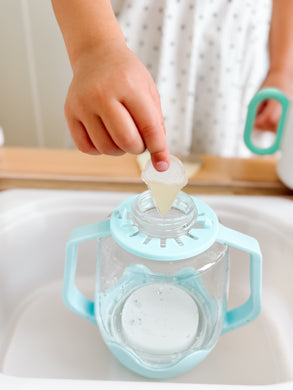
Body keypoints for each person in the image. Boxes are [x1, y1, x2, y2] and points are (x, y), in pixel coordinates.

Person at [51, 0, 293, 171]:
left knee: (228, 178)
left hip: (237, 56)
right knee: (115, 156)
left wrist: (283, 69)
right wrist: (95, 48)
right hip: (132, 41)